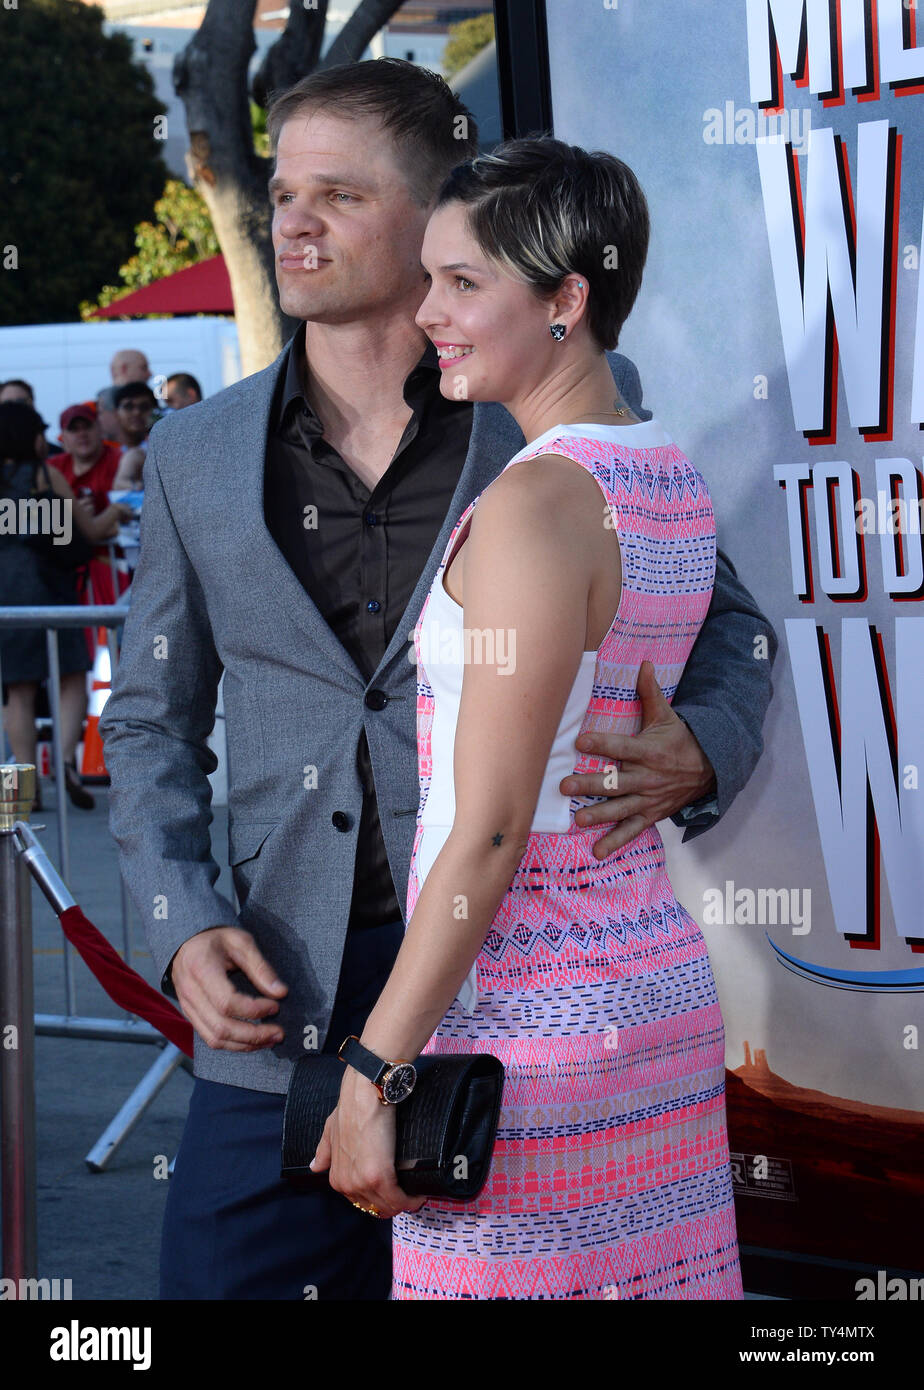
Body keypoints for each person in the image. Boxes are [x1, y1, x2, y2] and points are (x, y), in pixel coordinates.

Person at [98, 59, 776, 1302]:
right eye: (283, 191)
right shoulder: (194, 453)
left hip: (509, 992)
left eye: (336, 196)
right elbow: (146, 720)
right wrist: (178, 912)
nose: (287, 221)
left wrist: (709, 744)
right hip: (281, 1000)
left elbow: (730, 625)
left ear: (433, 221)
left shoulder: (550, 419)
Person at [311, 136, 743, 1300]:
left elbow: (494, 829)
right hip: (648, 1001)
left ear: (567, 299)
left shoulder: (537, 502)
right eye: (430, 278)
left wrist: (372, 1072)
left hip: (524, 1025)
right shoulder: (665, 474)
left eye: (464, 284)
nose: (429, 312)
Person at [0, 402, 132, 811]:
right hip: (52, 593)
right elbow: (88, 533)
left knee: (17, 693)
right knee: (72, 676)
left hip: (6, 599)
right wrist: (116, 511)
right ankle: (65, 763)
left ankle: (22, 790)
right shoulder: (46, 476)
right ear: (32, 437)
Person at [54, 403, 135, 606]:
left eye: (87, 426)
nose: (82, 434)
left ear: (99, 428)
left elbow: (132, 517)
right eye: (74, 429)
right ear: (63, 437)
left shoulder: (121, 460)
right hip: (71, 573)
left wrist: (82, 524)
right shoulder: (53, 469)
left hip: (120, 569)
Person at [0, 380, 63, 455]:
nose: (14, 409)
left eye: (20, 402)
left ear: (32, 405)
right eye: (7, 404)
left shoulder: (56, 456)